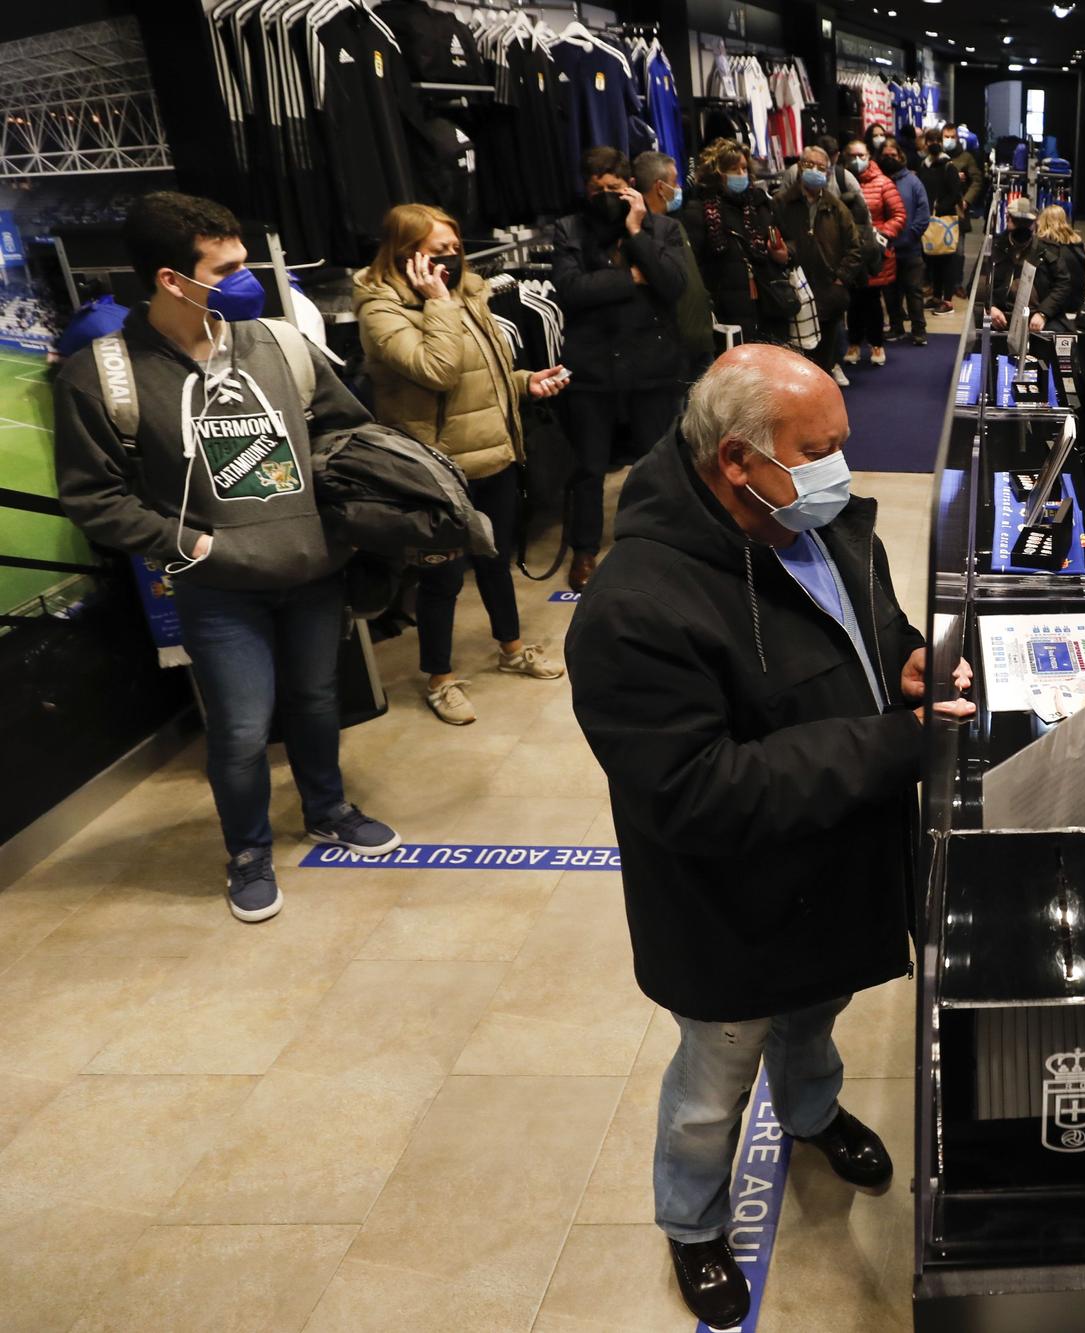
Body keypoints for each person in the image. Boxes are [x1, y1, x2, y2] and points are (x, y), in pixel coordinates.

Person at [565, 344, 974, 1326]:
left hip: (830, 868)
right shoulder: (635, 607)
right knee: (714, 1082)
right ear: (736, 462)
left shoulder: (822, 521)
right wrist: (892, 744)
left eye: (843, 441)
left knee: (814, 1022)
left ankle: (812, 1113)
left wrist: (906, 660)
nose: (841, 464)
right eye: (817, 447)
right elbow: (695, 792)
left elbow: (865, 624)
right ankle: (693, 1220)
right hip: (729, 910)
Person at [52, 190, 400, 923]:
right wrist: (192, 544)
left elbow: (348, 430)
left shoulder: (279, 344)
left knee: (316, 700)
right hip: (217, 587)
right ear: (171, 280)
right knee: (241, 729)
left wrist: (343, 520)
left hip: (312, 571)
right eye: (228, 266)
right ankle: (247, 850)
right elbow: (94, 498)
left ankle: (327, 807)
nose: (247, 278)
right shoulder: (104, 376)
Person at [353, 203, 571, 725]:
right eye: (437, 251)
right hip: (437, 469)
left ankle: (512, 647)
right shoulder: (381, 311)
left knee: (496, 561)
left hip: (492, 453)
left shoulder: (468, 293)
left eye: (455, 249)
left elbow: (485, 374)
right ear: (406, 255)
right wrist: (437, 303)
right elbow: (439, 370)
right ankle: (439, 678)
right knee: (443, 578)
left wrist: (525, 384)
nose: (451, 260)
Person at [552, 145, 690, 593]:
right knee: (587, 467)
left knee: (656, 462)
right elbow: (570, 289)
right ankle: (585, 549)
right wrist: (630, 279)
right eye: (597, 188)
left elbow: (672, 285)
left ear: (628, 185)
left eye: (614, 187)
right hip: (592, 367)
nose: (606, 195)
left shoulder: (662, 226)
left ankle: (656, 541)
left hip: (652, 363)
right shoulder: (568, 229)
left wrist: (635, 234)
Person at [682, 138, 792, 348]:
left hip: (769, 302)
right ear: (717, 172)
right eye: (733, 169)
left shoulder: (761, 202)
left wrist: (785, 254)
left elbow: (790, 243)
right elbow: (696, 264)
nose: (741, 174)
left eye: (743, 168)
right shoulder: (699, 210)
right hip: (728, 308)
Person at [773, 145, 862, 374]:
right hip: (795, 291)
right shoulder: (781, 204)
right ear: (799, 168)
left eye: (821, 167)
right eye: (809, 165)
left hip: (828, 293)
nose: (814, 170)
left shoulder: (837, 207)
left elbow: (855, 248)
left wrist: (840, 279)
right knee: (795, 358)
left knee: (824, 358)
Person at [634, 150, 716, 384]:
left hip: (697, 343)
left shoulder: (672, 225)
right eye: (675, 181)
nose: (679, 187)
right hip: (675, 353)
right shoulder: (639, 233)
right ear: (660, 187)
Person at [844, 138, 905, 369]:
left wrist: (881, 236)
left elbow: (899, 215)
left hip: (875, 253)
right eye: (853, 155)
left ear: (869, 156)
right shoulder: (841, 181)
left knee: (871, 301)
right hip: (849, 252)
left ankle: (876, 343)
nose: (857, 160)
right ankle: (854, 343)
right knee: (852, 301)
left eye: (862, 155)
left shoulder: (883, 183)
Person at [987, 203, 1085, 335]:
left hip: (1038, 315)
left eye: (1026, 222)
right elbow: (977, 285)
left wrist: (1043, 313)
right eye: (1018, 221)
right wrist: (990, 307)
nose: (1022, 227)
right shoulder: (993, 247)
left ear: (1034, 223)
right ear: (1008, 219)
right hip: (1001, 315)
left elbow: (1063, 284)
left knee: (1061, 337)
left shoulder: (1048, 249)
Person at [877, 139, 931, 346]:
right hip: (886, 249)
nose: (890, 159)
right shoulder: (878, 181)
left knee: (914, 291)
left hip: (910, 249)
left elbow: (923, 214)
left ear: (901, 157)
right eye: (886, 156)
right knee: (890, 293)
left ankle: (919, 331)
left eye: (893, 156)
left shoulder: (913, 182)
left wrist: (910, 236)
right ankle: (896, 327)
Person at [915, 128, 965, 315]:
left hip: (944, 219)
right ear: (925, 143)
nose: (934, 143)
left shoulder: (948, 166)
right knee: (933, 260)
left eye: (937, 139)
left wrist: (939, 208)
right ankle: (936, 296)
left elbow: (955, 194)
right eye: (930, 140)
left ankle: (947, 300)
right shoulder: (924, 166)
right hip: (928, 219)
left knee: (947, 260)